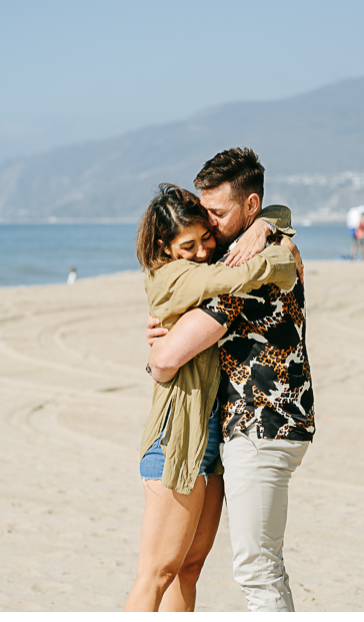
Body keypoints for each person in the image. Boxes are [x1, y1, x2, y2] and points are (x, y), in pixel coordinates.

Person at [146, 148, 312, 612]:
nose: (211, 225)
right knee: (253, 564)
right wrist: (271, 223)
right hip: (271, 422)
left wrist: (159, 350)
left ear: (251, 206)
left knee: (257, 568)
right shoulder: (260, 240)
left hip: (262, 423)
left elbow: (169, 358)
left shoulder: (245, 266)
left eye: (218, 213)